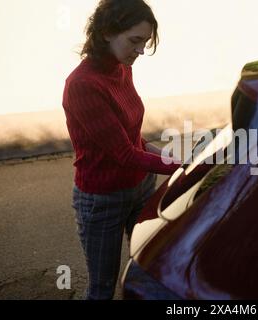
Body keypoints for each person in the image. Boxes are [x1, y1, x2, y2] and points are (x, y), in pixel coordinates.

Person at [62, 0, 181, 300]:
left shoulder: (122, 67)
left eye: (145, 43)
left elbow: (133, 139)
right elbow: (124, 154)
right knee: (102, 288)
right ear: (106, 33)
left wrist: (176, 159)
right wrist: (183, 167)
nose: (140, 51)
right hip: (103, 201)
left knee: (149, 272)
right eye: (135, 41)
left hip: (141, 188)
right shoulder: (82, 85)